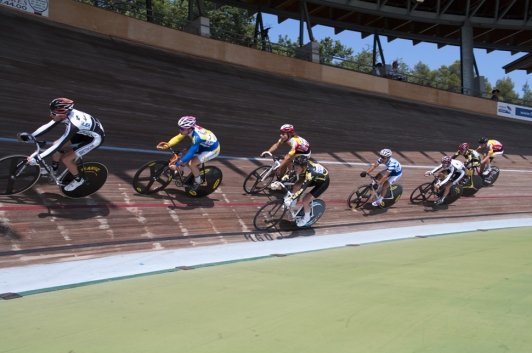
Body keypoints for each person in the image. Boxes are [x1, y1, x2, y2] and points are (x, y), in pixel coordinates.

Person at [17, 98, 105, 191]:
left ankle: (78, 180)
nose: (50, 115)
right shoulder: (64, 114)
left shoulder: (73, 124)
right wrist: (30, 136)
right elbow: (47, 127)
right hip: (84, 132)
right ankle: (54, 170)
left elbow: (58, 146)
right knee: (56, 144)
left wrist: (38, 158)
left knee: (66, 158)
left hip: (94, 138)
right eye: (51, 112)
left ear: (63, 116)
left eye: (53, 114)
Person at [157, 116, 220, 190]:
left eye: (182, 129)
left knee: (191, 164)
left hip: (212, 150)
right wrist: (165, 146)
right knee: (184, 151)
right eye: (180, 127)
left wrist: (176, 164)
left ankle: (198, 182)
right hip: (203, 144)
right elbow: (178, 138)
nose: (180, 130)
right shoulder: (190, 129)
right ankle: (180, 172)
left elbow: (190, 154)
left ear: (189, 130)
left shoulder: (197, 137)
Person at [283, 155, 329, 227]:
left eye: (296, 168)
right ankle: (293, 204)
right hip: (312, 177)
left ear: (303, 167)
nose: (295, 168)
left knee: (305, 200)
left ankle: (306, 218)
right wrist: (281, 181)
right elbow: (291, 172)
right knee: (295, 186)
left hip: (322, 183)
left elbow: (302, 189)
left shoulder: (310, 174)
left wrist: (291, 198)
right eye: (294, 166)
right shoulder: (301, 166)